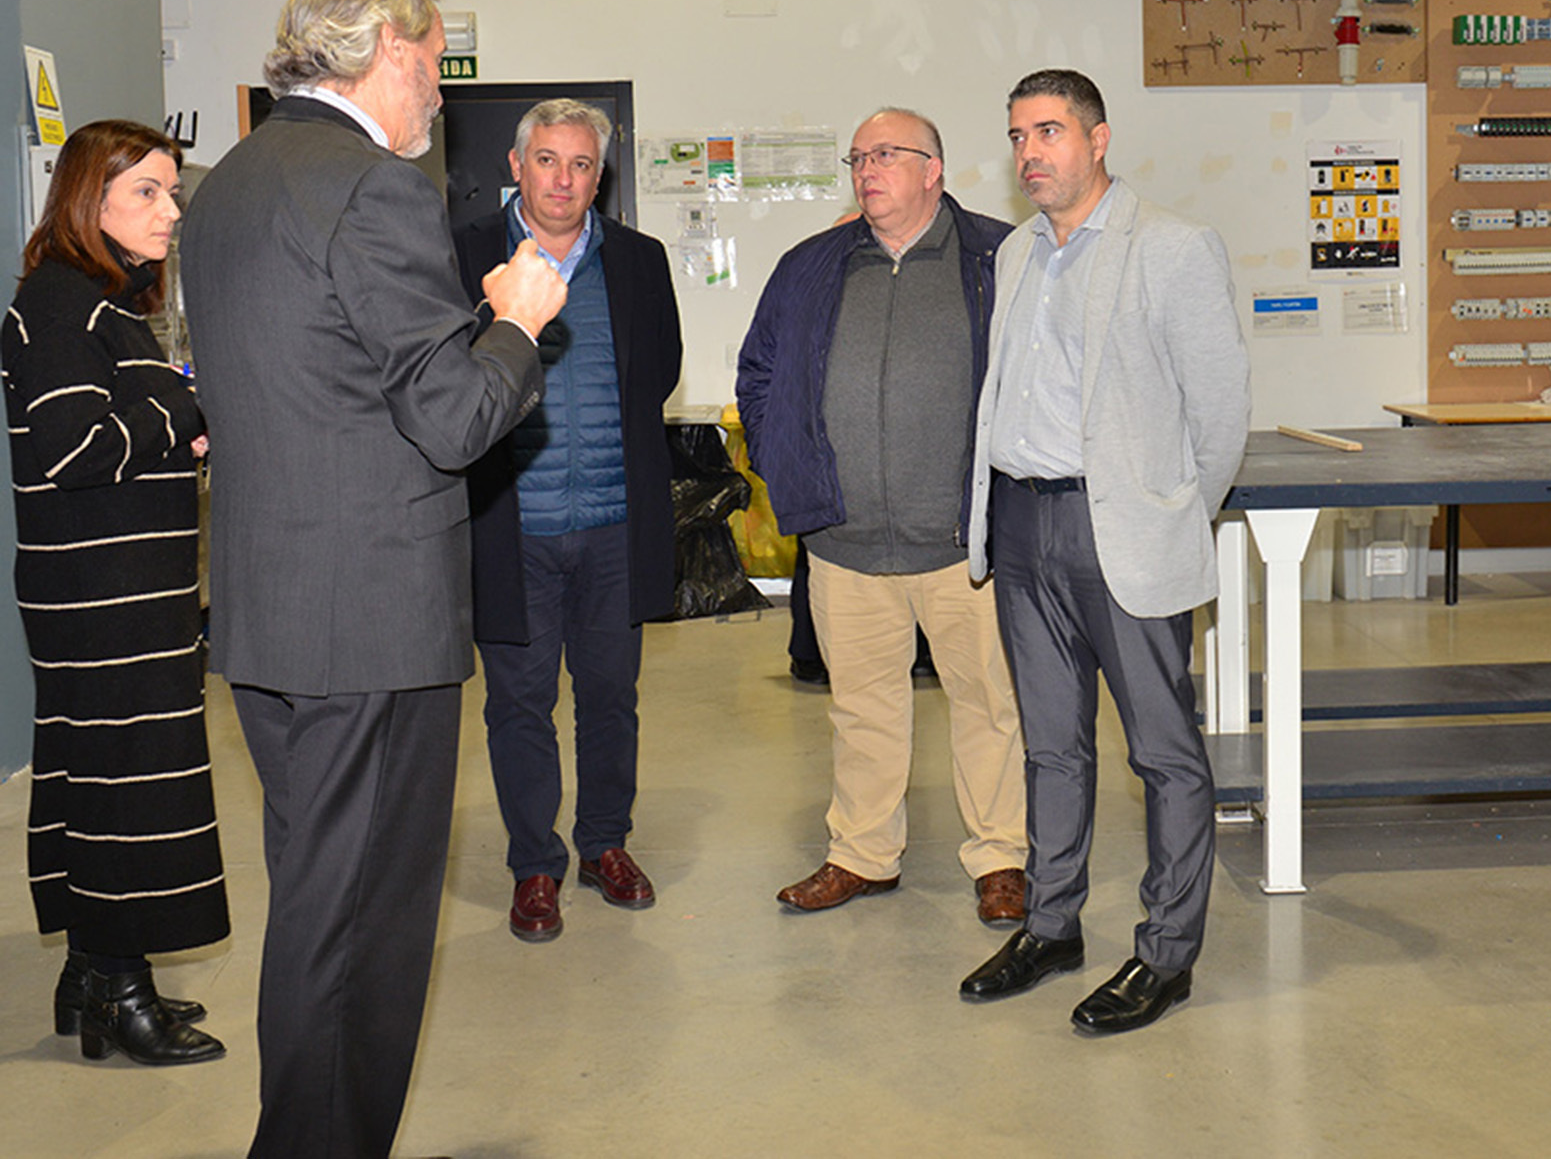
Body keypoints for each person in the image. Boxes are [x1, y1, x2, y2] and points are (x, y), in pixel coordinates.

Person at [180, 0, 566, 1158]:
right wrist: (517, 321)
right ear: (387, 48)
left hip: (272, 613)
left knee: (316, 905)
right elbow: (451, 419)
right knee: (360, 932)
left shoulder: (230, 184)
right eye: (434, 61)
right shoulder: (372, 188)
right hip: (370, 622)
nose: (440, 91)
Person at [959, 70, 1250, 1034]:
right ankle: (1051, 927)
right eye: (1017, 136)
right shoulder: (1015, 253)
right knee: (1051, 746)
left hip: (1119, 529)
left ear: (1098, 138)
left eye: (1048, 131)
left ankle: (1166, 954)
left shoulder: (1171, 247)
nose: (1029, 153)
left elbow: (1220, 418)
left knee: (1164, 754)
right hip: (1021, 525)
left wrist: (1167, 513)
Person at [737, 107, 1029, 923]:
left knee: (989, 706)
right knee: (861, 710)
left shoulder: (999, 258)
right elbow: (759, 373)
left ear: (933, 170)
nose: (867, 170)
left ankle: (1001, 858)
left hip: (966, 544)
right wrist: (785, 462)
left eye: (887, 155)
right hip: (846, 542)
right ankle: (863, 855)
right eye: (858, 158)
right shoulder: (811, 266)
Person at [3, 119, 226, 1066]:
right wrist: (181, 408)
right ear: (88, 202)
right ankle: (117, 993)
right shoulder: (62, 307)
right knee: (127, 786)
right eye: (147, 192)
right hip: (103, 599)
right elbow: (75, 449)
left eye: (171, 192)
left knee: (102, 777)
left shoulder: (102, 305)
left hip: (123, 593)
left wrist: (171, 417)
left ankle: (91, 976)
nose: (169, 210)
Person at [455, 98, 683, 943]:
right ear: (517, 166)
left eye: (581, 164)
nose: (563, 180)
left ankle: (604, 844)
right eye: (547, 161)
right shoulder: (464, 254)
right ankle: (534, 865)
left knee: (610, 697)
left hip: (615, 524)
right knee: (519, 704)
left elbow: (659, 369)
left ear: (600, 175)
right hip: (512, 528)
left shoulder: (638, 260)